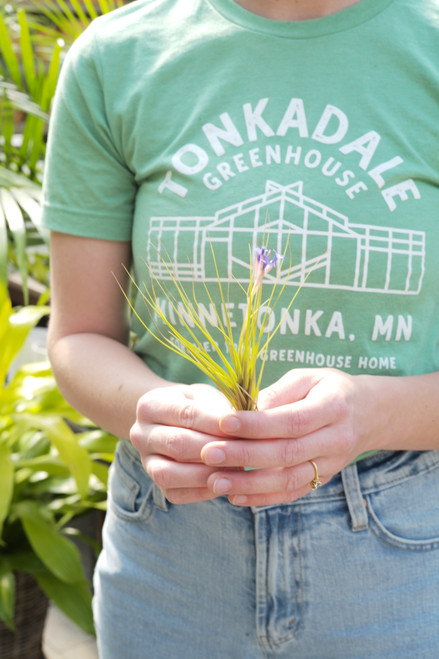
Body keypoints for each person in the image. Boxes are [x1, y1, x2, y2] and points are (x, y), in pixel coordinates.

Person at [42, 0, 439, 656]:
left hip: (397, 556)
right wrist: (153, 409)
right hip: (170, 555)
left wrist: (371, 415)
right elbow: (80, 336)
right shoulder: (119, 58)